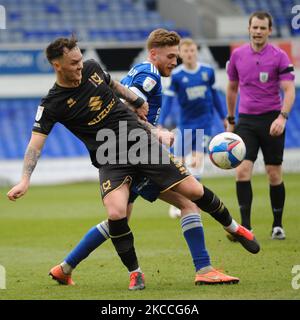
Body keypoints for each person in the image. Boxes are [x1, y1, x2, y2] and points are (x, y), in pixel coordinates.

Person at [7, 34, 259, 292]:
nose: (80, 66)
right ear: (57, 65)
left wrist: (137, 102)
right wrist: (25, 179)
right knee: (118, 214)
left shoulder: (91, 68)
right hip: (110, 158)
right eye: (74, 63)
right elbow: (35, 143)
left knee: (191, 195)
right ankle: (136, 272)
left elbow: (114, 85)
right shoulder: (53, 103)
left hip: (140, 146)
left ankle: (234, 231)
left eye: (81, 60)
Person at [226, 11, 295, 240]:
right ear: (249, 29)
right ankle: (246, 228)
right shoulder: (237, 55)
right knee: (242, 170)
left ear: (269, 30)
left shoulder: (279, 56)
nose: (258, 31)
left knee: (273, 173)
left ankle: (277, 225)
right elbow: (232, 88)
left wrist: (282, 117)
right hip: (246, 121)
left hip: (272, 120)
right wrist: (231, 118)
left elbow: (289, 90)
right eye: (254, 27)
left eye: (262, 28)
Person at [158, 38, 226, 218]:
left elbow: (216, 96)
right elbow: (169, 100)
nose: (189, 54)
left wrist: (224, 116)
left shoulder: (207, 72)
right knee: (179, 165)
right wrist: (162, 123)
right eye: (186, 51)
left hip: (205, 125)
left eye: (192, 51)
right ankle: (178, 202)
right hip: (185, 126)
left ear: (196, 52)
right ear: (181, 54)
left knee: (196, 163)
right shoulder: (177, 75)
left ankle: (191, 203)